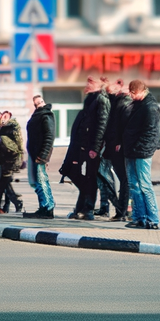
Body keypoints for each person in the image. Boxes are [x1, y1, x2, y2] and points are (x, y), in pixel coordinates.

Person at [61, 76, 111, 219]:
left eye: (91, 82)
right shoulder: (90, 99)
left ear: (99, 85)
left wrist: (95, 148)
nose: (87, 84)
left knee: (90, 178)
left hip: (91, 148)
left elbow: (101, 125)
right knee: (73, 172)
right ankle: (80, 208)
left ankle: (87, 210)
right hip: (81, 146)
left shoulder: (101, 100)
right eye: (87, 81)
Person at [122, 80, 160, 229]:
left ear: (141, 91)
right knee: (134, 185)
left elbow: (151, 132)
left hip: (141, 152)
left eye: (133, 93)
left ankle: (153, 219)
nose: (131, 96)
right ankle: (139, 218)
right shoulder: (137, 105)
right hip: (131, 151)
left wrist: (138, 147)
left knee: (145, 186)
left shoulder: (150, 107)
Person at [101, 78, 133, 221]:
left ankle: (123, 211)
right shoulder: (115, 101)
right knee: (123, 179)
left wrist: (119, 142)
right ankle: (122, 209)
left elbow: (123, 126)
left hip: (119, 148)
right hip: (112, 146)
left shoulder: (124, 102)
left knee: (125, 180)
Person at [25, 94, 57, 218]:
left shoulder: (46, 115)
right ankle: (43, 206)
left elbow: (49, 136)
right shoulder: (37, 115)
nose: (39, 105)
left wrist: (43, 155)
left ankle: (48, 207)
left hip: (40, 154)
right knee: (36, 182)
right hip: (34, 153)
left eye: (40, 102)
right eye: (36, 104)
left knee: (41, 180)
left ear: (44, 101)